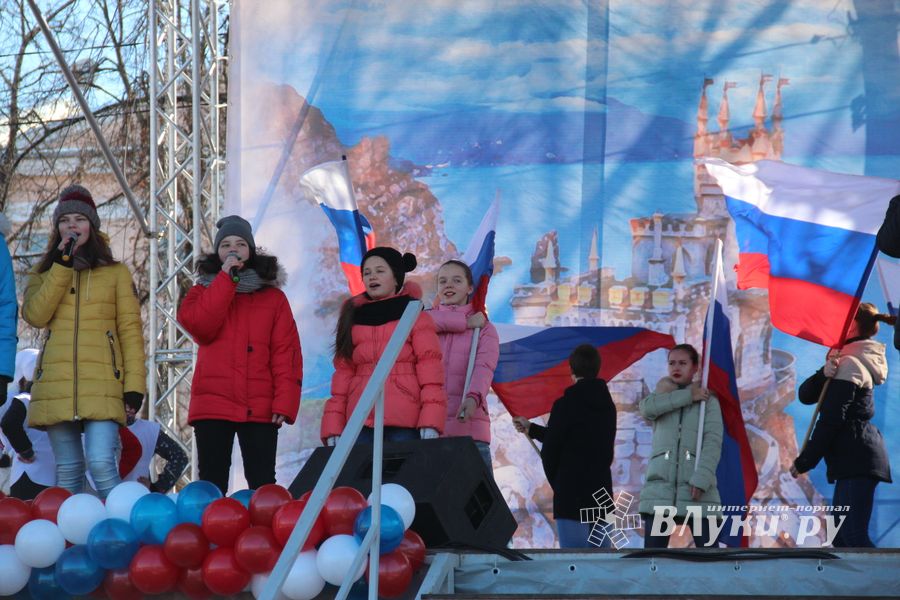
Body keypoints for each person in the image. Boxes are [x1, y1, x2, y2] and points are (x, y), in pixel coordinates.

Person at [22, 185, 146, 499]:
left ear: (92, 225)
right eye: (65, 220)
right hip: (57, 384)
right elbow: (35, 315)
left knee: (103, 463)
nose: (72, 226)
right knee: (67, 472)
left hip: (103, 381)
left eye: (80, 219)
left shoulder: (116, 273)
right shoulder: (44, 272)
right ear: (57, 227)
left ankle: (120, 538)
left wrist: (134, 386)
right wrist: (61, 266)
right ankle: (69, 544)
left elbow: (130, 332)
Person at [177, 215, 301, 494]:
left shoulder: (274, 299)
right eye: (226, 245)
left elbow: (286, 353)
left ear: (252, 250)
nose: (233, 249)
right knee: (211, 483)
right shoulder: (201, 291)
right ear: (218, 253)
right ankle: (210, 537)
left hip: (260, 405)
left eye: (240, 244)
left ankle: (265, 537)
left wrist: (285, 402)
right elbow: (202, 328)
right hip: (213, 402)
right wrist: (225, 280)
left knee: (262, 484)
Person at [790, 302, 893, 547]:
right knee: (841, 539)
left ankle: (880, 584)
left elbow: (831, 420)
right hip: (853, 460)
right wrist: (822, 374)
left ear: (853, 325)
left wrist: (805, 461)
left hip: (857, 459)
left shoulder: (851, 365)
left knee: (852, 536)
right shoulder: (846, 360)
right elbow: (806, 396)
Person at [321, 247, 446, 446]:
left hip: (405, 422)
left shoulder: (415, 316)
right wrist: (333, 425)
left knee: (402, 478)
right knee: (358, 477)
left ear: (396, 277)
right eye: (367, 273)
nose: (372, 277)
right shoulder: (352, 318)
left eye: (380, 271)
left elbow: (431, 373)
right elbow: (343, 376)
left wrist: (431, 420)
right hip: (359, 421)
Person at [512, 344, 617, 549]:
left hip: (572, 496)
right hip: (602, 495)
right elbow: (577, 438)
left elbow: (552, 447)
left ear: (571, 370)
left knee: (575, 565)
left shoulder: (565, 405)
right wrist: (531, 428)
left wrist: (559, 483)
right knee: (602, 567)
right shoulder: (608, 405)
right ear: (597, 368)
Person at [638, 344, 722, 548]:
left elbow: (713, 442)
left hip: (698, 492)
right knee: (652, 562)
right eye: (672, 363)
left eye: (683, 363)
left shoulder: (707, 402)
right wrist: (687, 396)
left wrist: (701, 479)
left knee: (712, 563)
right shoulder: (659, 398)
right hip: (659, 493)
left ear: (695, 368)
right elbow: (646, 409)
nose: (676, 367)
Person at [429, 260, 499, 469]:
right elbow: (421, 323)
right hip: (429, 430)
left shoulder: (485, 329)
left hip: (470, 433)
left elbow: (483, 368)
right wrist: (464, 323)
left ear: (470, 288)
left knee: (478, 501)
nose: (448, 285)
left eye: (456, 280)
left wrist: (473, 398)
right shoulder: (421, 323)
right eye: (443, 281)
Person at [0, 349, 57, 500]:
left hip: (31, 474)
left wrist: (25, 451)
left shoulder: (24, 400)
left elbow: (9, 424)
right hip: (46, 476)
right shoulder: (29, 400)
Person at [118, 394, 188, 493]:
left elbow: (179, 457)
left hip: (138, 501)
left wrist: (157, 487)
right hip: (101, 501)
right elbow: (179, 457)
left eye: (132, 405)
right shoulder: (94, 428)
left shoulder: (148, 430)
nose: (129, 409)